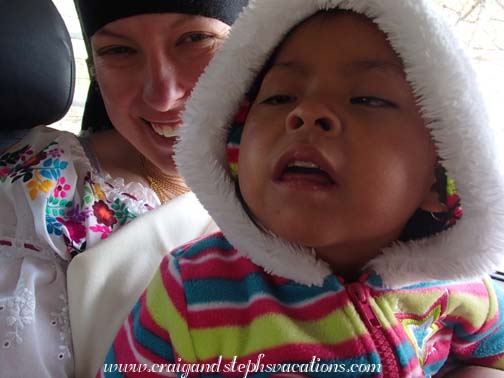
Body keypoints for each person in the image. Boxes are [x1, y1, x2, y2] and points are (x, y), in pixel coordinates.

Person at [100, 0, 504, 377]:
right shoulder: (189, 290)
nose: (306, 113)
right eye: (279, 97)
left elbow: (493, 352)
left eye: (366, 99)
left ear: (439, 179)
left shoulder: (459, 284)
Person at [0, 1, 248, 377]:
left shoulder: (311, 181)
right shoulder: (39, 200)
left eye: (195, 39)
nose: (162, 95)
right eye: (118, 50)